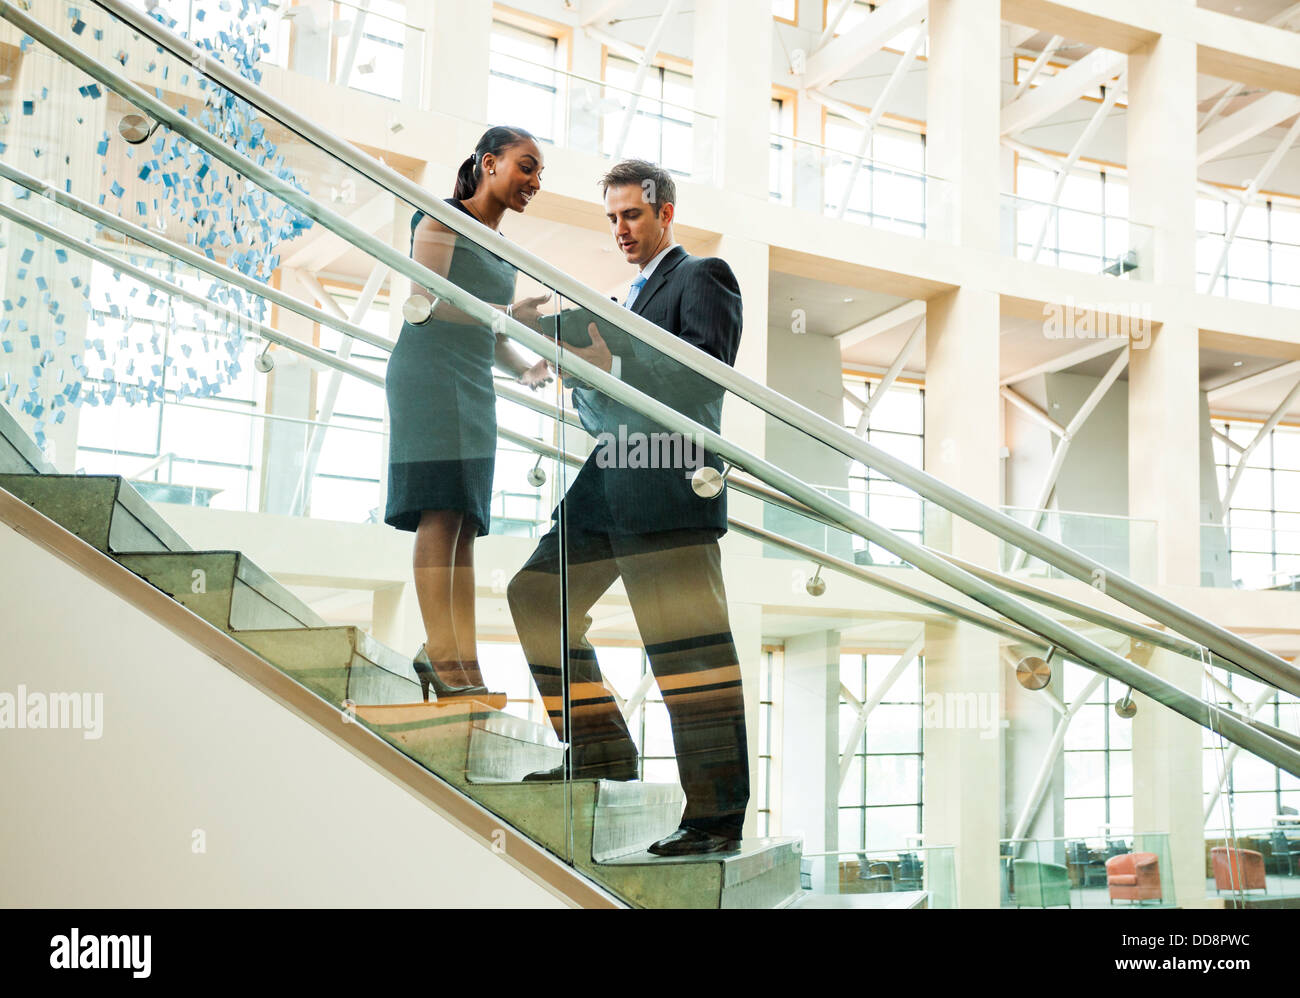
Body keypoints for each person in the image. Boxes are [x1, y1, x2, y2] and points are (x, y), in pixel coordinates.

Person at [507, 159, 749, 857]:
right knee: (535, 595)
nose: (621, 229)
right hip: (607, 476)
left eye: (633, 215)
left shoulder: (703, 276)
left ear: (665, 213)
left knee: (689, 655)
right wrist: (556, 340)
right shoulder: (630, 298)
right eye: (612, 217)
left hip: (670, 481)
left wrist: (612, 355)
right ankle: (603, 746)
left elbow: (701, 373)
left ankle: (714, 819)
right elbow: (607, 389)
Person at [385, 125, 553, 702]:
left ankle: (465, 662)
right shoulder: (439, 218)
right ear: (488, 163)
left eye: (539, 174)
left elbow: (486, 328)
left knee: (465, 524)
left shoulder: (501, 244)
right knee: (439, 514)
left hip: (473, 381)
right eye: (526, 167)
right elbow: (426, 305)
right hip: (428, 378)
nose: (534, 182)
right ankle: (441, 652)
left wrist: (523, 367)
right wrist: (509, 316)